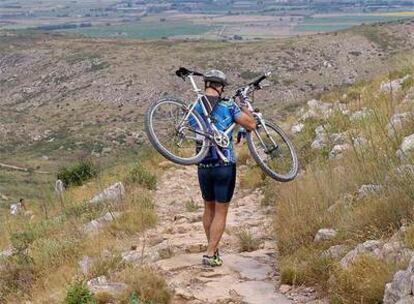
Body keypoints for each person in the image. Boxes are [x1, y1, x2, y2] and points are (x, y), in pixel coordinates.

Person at [191, 69, 256, 267]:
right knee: (221, 211)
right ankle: (210, 254)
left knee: (208, 208)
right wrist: (243, 106)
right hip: (224, 164)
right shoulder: (228, 105)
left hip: (203, 164)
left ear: (206, 85)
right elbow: (251, 124)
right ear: (220, 87)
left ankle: (213, 249)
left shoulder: (194, 106)